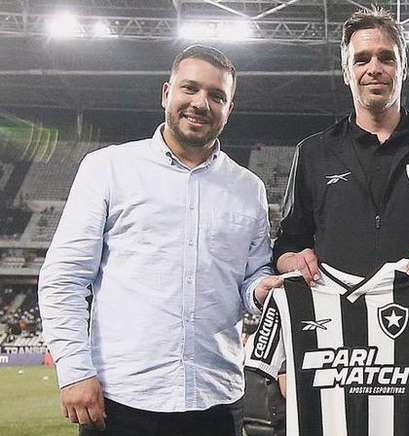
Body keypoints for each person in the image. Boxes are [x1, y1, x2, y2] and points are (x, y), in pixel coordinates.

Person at [38, 45, 282, 436]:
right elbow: (64, 278)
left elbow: (251, 277)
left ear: (229, 109)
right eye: (190, 88)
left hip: (217, 402)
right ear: (167, 93)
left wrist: (260, 289)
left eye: (216, 96)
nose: (200, 103)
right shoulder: (108, 168)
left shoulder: (248, 188)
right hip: (121, 400)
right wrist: (74, 371)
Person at [273, 6, 409, 282]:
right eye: (361, 60)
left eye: (386, 58)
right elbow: (285, 248)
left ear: (403, 68)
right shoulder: (313, 152)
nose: (374, 69)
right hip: (340, 308)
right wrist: (296, 260)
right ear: (346, 72)